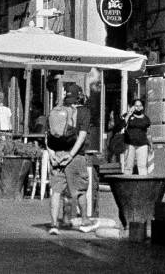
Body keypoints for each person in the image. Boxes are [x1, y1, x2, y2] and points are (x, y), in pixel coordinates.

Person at [46, 81, 96, 236]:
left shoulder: (56, 110)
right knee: (80, 190)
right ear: (79, 96)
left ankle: (54, 225)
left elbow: (48, 136)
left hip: (57, 155)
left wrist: (52, 154)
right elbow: (81, 136)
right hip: (75, 157)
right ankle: (86, 221)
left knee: (56, 191)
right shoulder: (84, 112)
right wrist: (71, 155)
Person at [122, 97, 152, 175]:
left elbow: (148, 132)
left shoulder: (146, 118)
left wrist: (151, 144)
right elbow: (122, 125)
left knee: (142, 166)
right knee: (128, 166)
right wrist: (129, 114)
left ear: (142, 107)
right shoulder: (127, 116)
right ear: (132, 106)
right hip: (130, 144)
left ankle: (143, 185)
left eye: (140, 106)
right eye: (136, 105)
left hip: (142, 144)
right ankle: (127, 185)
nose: (138, 107)